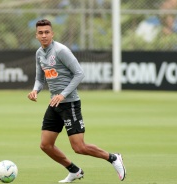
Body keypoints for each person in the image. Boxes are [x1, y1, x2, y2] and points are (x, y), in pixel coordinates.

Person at [27, 19, 126, 183]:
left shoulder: (60, 51)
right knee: (45, 145)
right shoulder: (39, 53)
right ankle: (74, 171)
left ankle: (113, 158)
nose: (44, 35)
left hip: (69, 103)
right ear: (36, 35)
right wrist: (35, 90)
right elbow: (39, 78)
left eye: (47, 32)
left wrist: (63, 94)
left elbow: (79, 73)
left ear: (52, 33)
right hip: (55, 103)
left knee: (79, 147)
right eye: (40, 33)